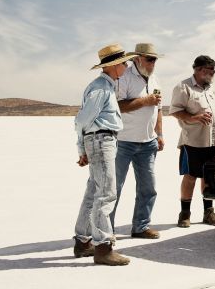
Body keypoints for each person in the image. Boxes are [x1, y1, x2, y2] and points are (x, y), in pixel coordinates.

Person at [73, 43, 136, 266]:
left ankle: (83, 242)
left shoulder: (106, 86)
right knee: (106, 193)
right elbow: (81, 119)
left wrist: (84, 148)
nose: (127, 66)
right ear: (114, 66)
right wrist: (83, 148)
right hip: (101, 140)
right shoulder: (101, 87)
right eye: (124, 63)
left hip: (100, 141)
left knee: (94, 191)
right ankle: (103, 247)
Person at [110, 43, 164, 240]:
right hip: (123, 141)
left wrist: (159, 134)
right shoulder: (124, 77)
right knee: (113, 189)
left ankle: (141, 227)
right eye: (150, 59)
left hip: (148, 143)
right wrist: (145, 101)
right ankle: (106, 232)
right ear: (137, 59)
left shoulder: (155, 79)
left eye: (155, 59)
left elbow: (158, 109)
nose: (153, 63)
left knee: (148, 188)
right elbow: (118, 105)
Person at [169, 54, 215, 228]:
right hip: (193, 141)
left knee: (208, 176)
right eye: (211, 68)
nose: (214, 71)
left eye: (214, 69)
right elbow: (175, 111)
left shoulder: (210, 88)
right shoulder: (183, 87)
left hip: (214, 141)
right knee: (191, 176)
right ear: (200, 70)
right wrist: (195, 117)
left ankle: (208, 212)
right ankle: (185, 213)